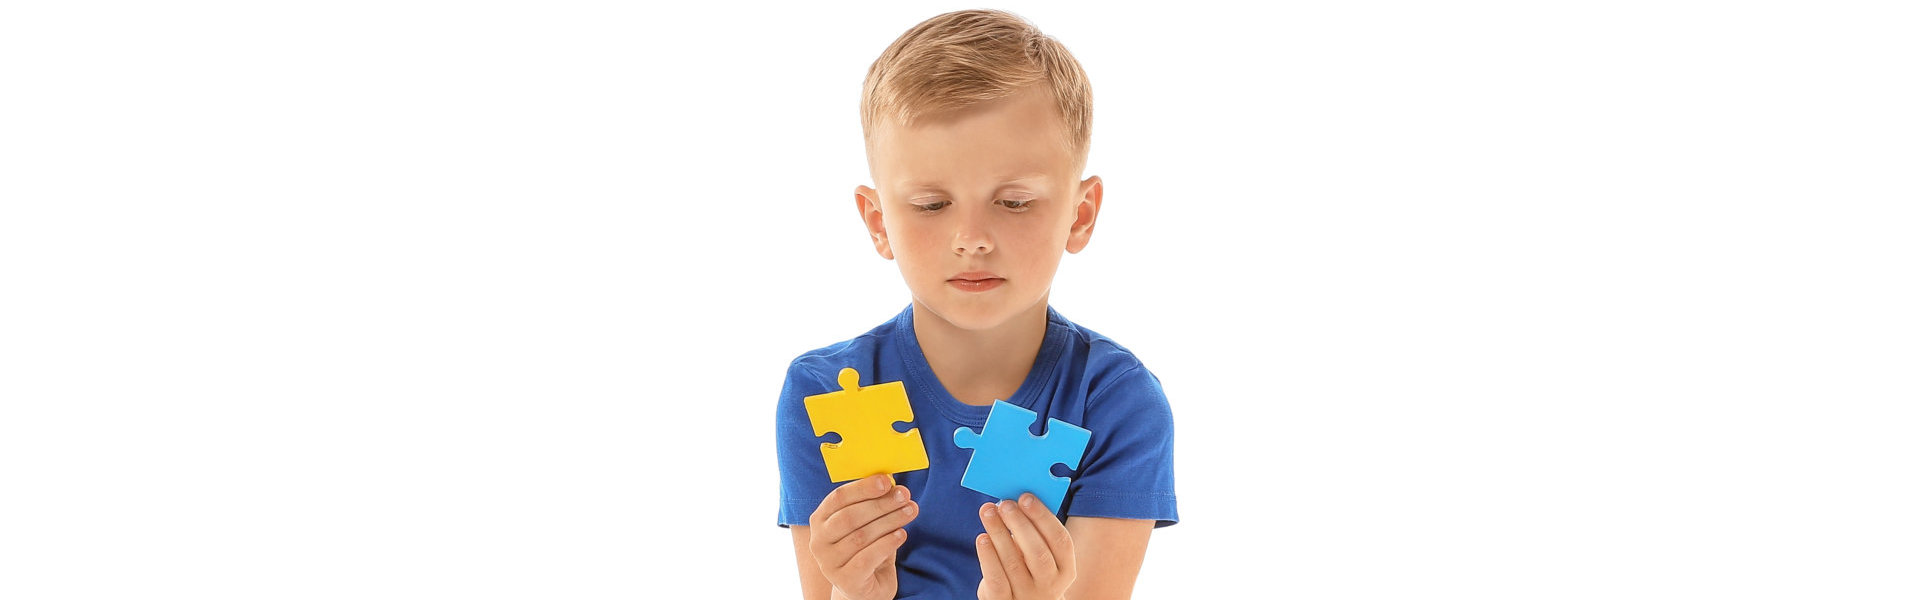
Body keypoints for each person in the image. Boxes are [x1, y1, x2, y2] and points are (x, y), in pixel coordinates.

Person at [775, 9, 1177, 599]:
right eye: (932, 204)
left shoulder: (1117, 400)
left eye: (1013, 202)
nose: (972, 238)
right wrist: (854, 592)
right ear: (878, 222)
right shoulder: (824, 389)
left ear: (1081, 213)